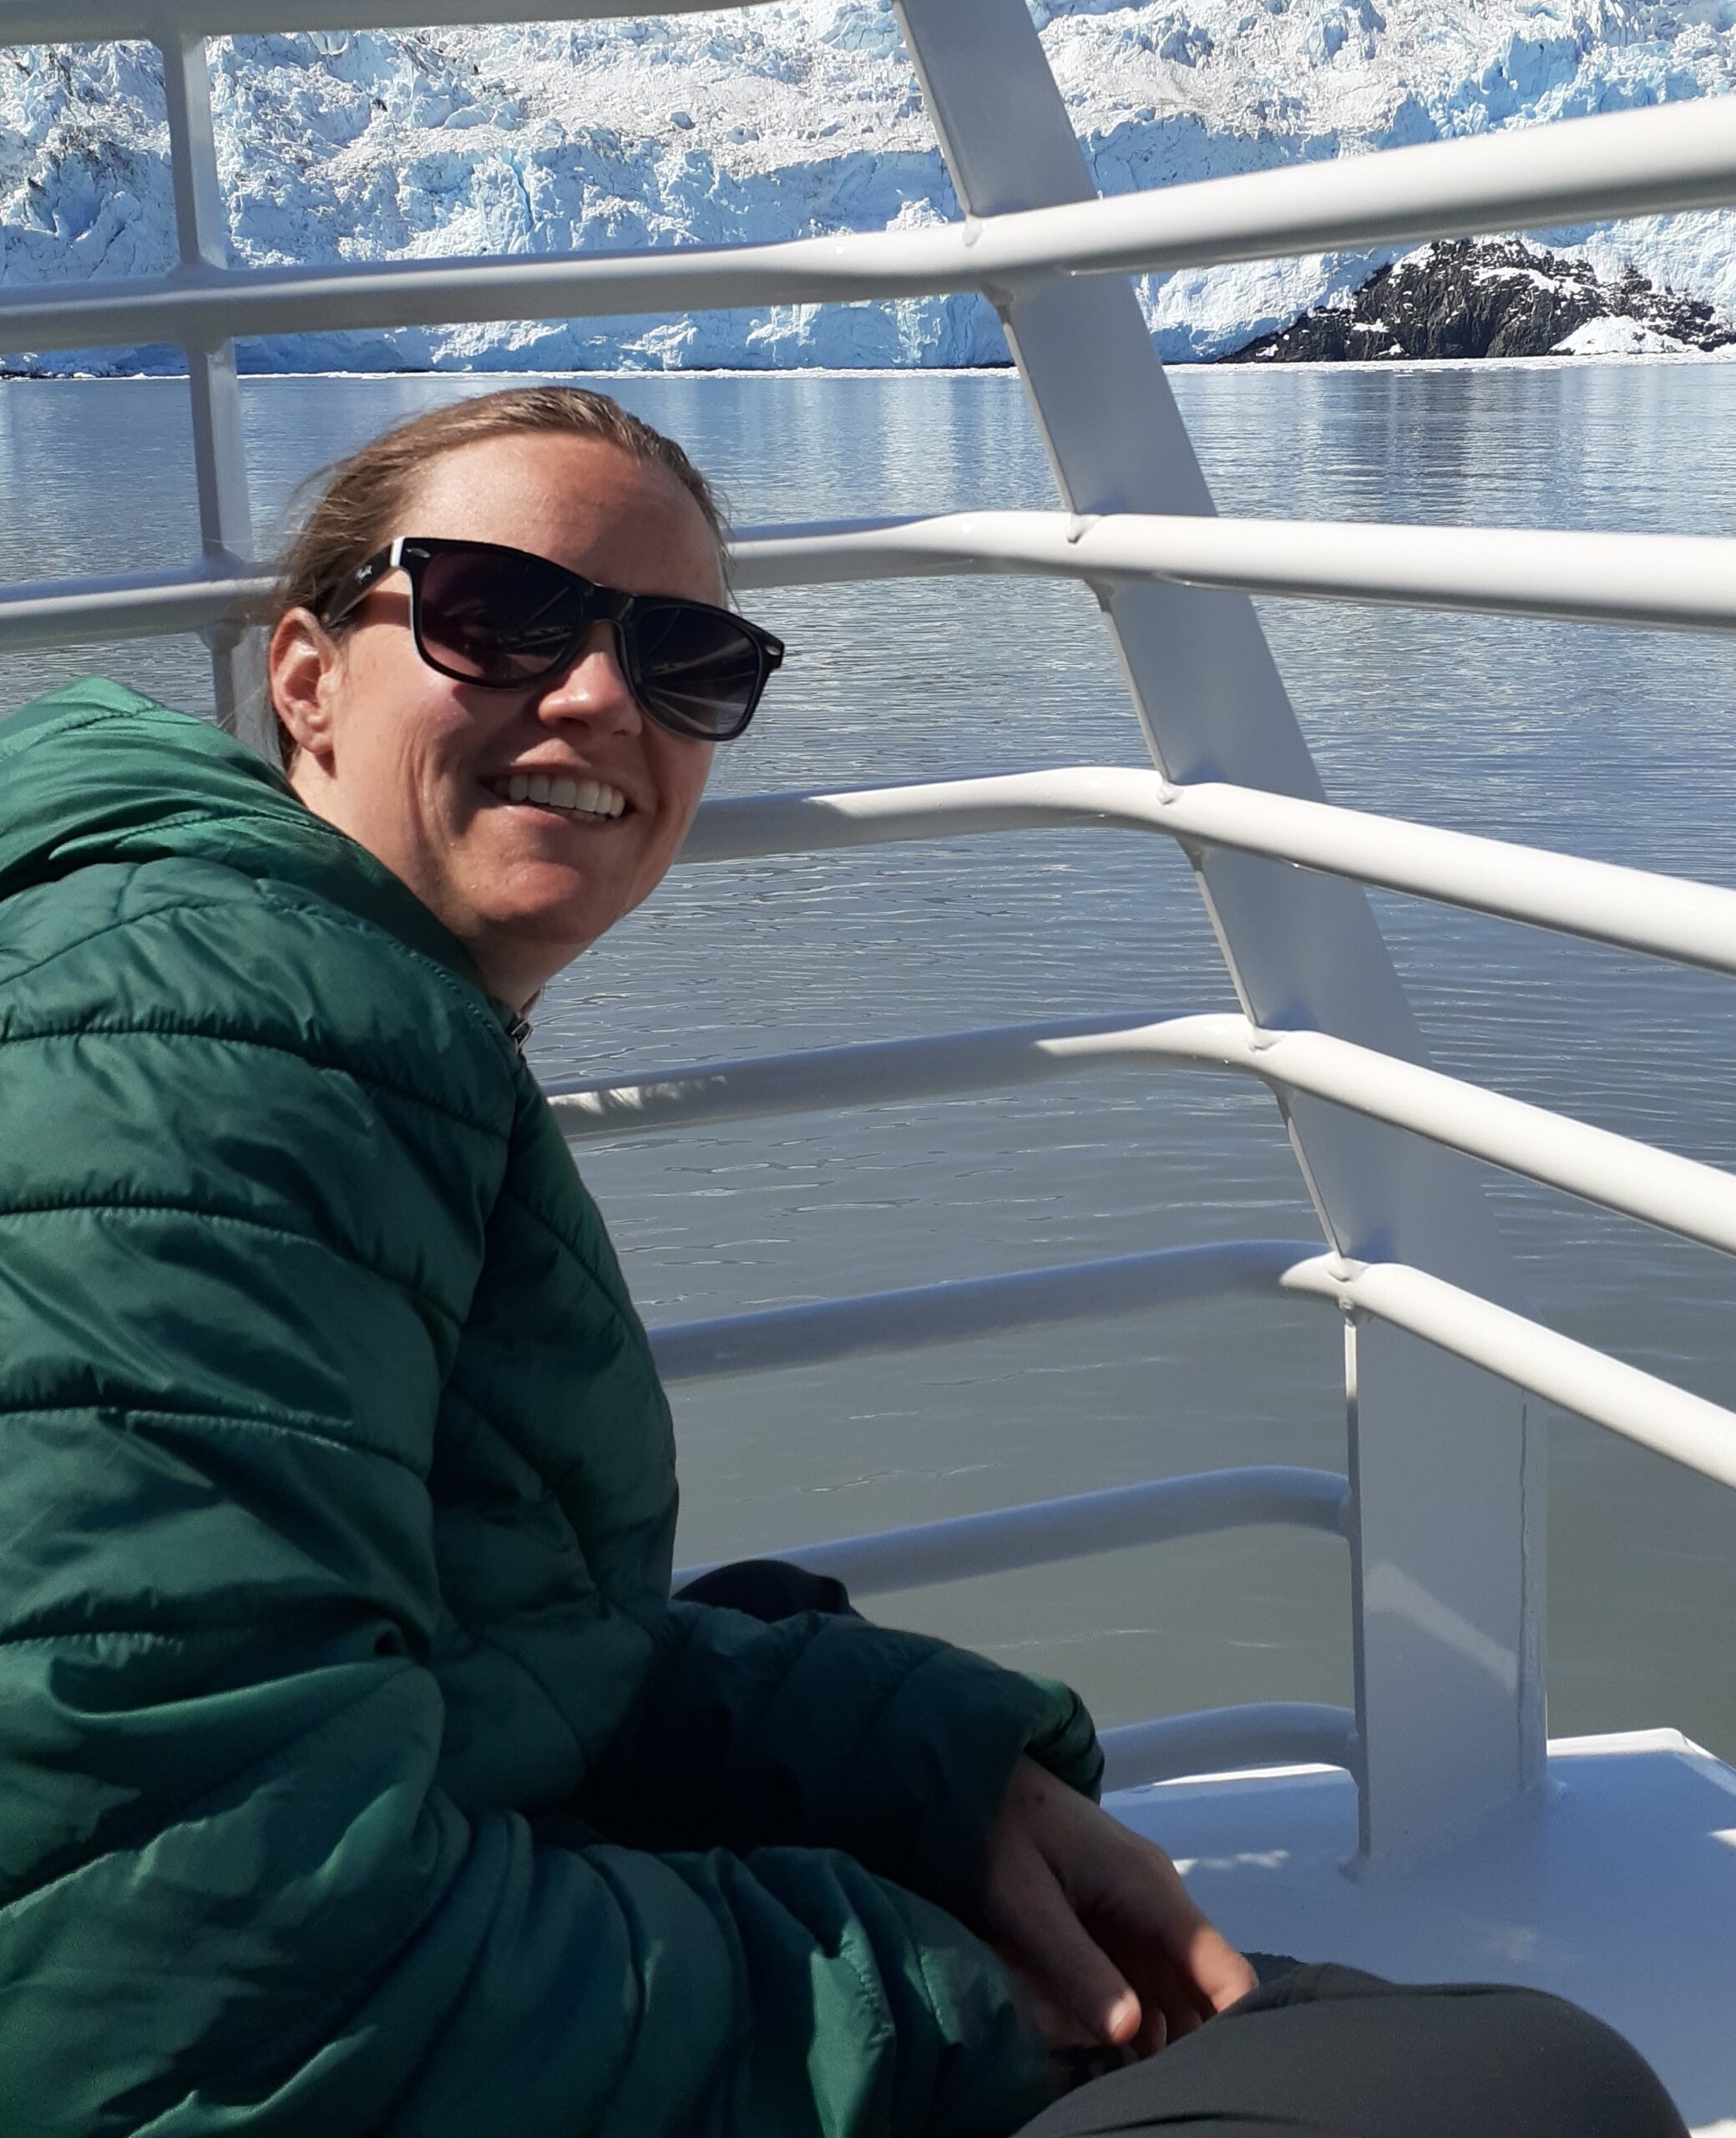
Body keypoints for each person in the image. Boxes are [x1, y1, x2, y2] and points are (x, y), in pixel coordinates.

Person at [0, 386, 1687, 2138]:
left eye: (686, 659)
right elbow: (178, 1979)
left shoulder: (276, 1001)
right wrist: (919, 1988)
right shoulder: (208, 1050)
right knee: (1521, 2089)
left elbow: (458, 1646)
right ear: (304, 673)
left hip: (453, 1971)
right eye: (494, 614)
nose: (594, 698)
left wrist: (900, 1753)